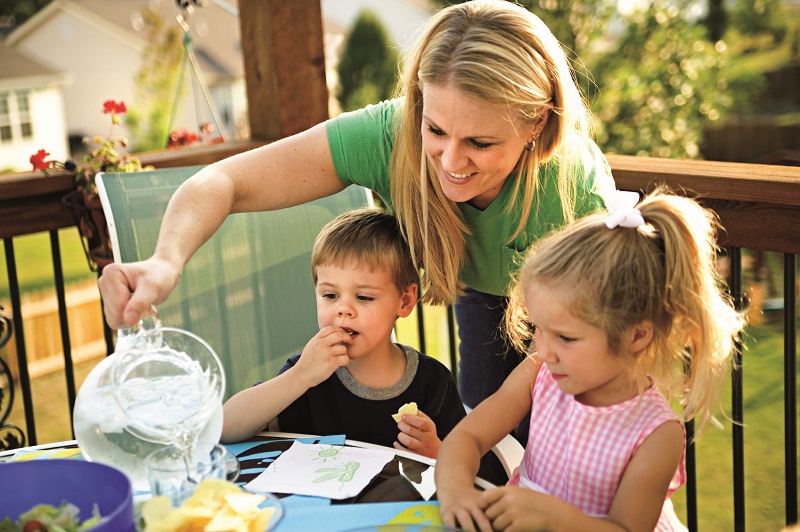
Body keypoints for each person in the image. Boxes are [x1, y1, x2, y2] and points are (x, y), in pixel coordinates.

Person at [97, 0, 615, 441]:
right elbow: (222, 182)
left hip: (584, 313)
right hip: (483, 290)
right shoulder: (389, 135)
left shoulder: (575, 191)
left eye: (480, 143)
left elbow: (580, 347)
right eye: (436, 130)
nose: (452, 163)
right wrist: (166, 262)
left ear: (537, 123)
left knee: (558, 440)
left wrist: (476, 444)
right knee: (490, 428)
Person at [435, 189, 747, 531]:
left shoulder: (657, 435)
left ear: (636, 336)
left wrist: (556, 519)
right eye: (539, 329)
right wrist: (456, 494)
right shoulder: (539, 371)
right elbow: (467, 437)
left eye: (566, 338)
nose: (544, 349)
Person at [220, 208, 466, 459]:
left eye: (363, 297)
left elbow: (473, 464)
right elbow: (225, 428)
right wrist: (300, 375)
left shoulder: (432, 382)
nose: (343, 309)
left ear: (404, 301)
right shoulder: (308, 373)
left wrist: (437, 452)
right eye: (330, 295)